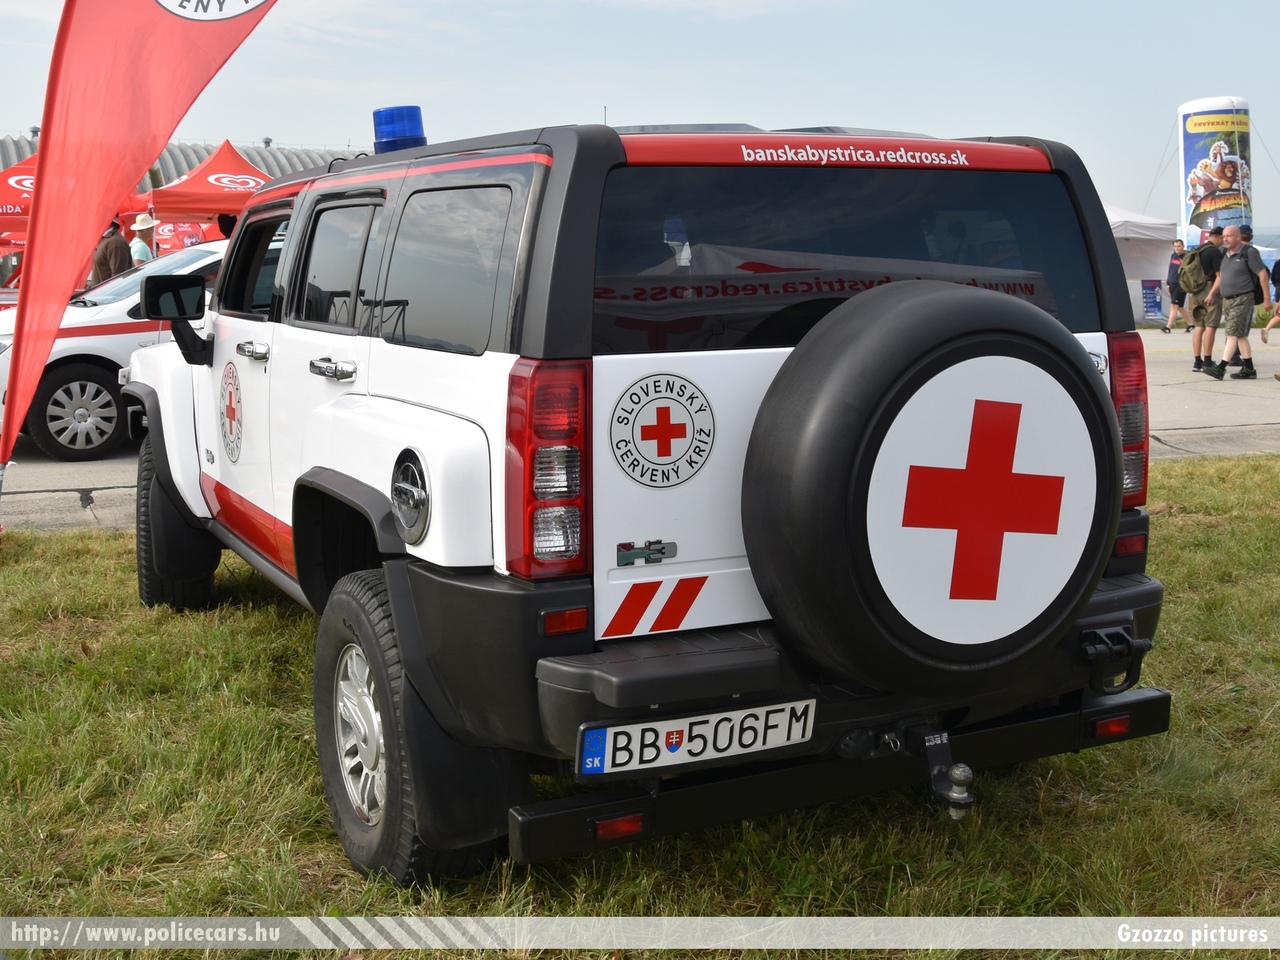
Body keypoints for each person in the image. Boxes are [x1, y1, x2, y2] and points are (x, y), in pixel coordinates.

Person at [1202, 224, 1273, 380]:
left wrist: (1267, 299)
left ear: (1238, 237)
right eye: (1224, 236)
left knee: (1232, 332)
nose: (1225, 239)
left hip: (1243, 298)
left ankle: (1220, 368)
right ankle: (1249, 368)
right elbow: (1220, 276)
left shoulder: (1249, 253)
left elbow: (1262, 275)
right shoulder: (1224, 254)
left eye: (1229, 236)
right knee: (1240, 335)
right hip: (1228, 300)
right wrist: (1212, 293)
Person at [1188, 227, 1225, 371]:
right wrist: (1212, 294)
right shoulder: (1214, 251)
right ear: (1219, 237)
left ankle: (1197, 361)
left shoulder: (1199, 249)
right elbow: (1219, 275)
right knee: (1211, 326)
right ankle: (1208, 361)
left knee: (1199, 326)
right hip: (1209, 289)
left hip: (1196, 291)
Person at [89, 219, 131, 285]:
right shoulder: (108, 240)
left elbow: (118, 278)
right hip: (100, 293)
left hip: (106, 293)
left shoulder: (115, 242)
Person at [1163, 239, 1190, 333]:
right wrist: (1168, 283)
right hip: (1172, 283)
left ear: (1183, 246)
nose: (1177, 248)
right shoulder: (1173, 255)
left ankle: (1168, 327)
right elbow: (1170, 270)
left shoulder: (1187, 257)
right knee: (1179, 306)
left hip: (1181, 285)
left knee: (1174, 305)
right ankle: (1191, 324)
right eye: (1175, 246)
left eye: (1179, 246)